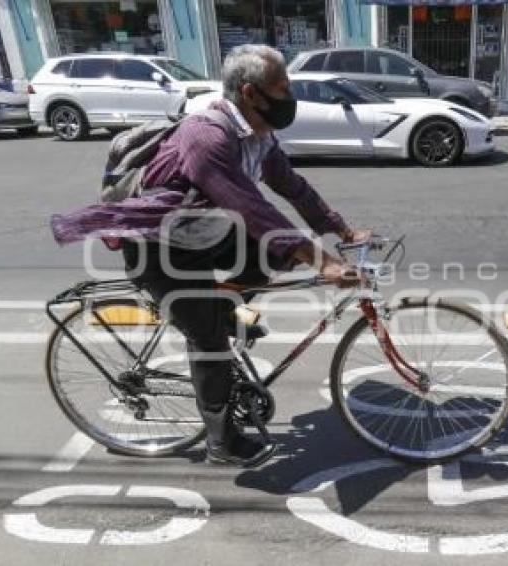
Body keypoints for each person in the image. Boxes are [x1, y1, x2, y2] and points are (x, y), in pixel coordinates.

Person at [121, 44, 369, 468]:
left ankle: (225, 311)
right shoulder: (206, 136)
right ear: (252, 93)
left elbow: (292, 186)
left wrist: (340, 228)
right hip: (158, 246)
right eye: (283, 87)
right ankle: (222, 441)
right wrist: (324, 262)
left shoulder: (259, 135)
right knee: (210, 341)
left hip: (202, 232)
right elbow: (253, 209)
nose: (290, 97)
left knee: (271, 257)